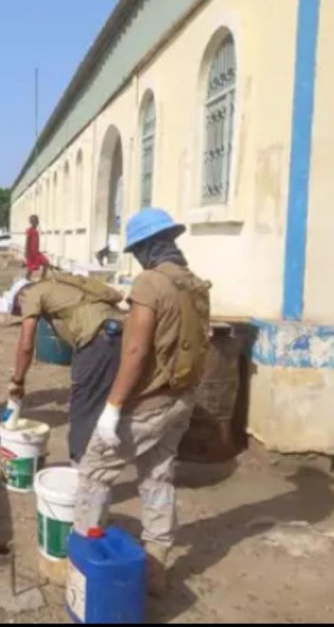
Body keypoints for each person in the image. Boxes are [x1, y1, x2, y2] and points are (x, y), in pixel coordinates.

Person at [72, 207, 211, 597]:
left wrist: (113, 408)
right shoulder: (193, 282)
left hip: (149, 402)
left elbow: (135, 351)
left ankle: (83, 562)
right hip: (181, 398)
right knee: (157, 474)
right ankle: (155, 566)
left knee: (95, 470)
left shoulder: (150, 283)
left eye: (137, 250)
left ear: (147, 248)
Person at [5, 272, 126, 464]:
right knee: (107, 401)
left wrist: (17, 380)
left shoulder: (31, 294)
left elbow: (26, 345)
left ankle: (79, 469)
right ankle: (105, 458)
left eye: (19, 310)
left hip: (97, 340)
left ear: (20, 296)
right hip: (123, 334)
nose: (23, 313)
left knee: (82, 408)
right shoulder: (60, 288)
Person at [24, 214, 50, 280]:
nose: (35, 223)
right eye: (33, 221)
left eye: (36, 221)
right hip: (31, 253)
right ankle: (26, 280)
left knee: (46, 262)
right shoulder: (29, 230)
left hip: (36, 253)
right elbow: (27, 241)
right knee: (30, 269)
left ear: (38, 222)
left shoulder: (36, 231)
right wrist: (26, 252)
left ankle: (43, 278)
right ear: (30, 222)